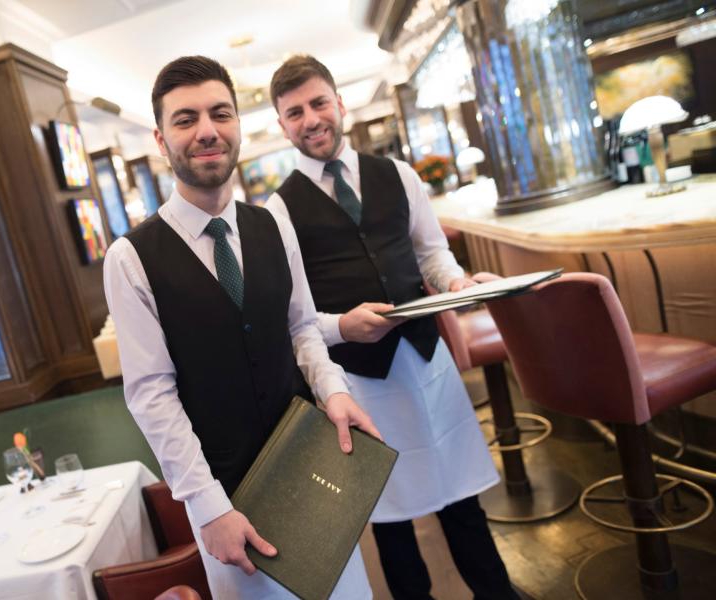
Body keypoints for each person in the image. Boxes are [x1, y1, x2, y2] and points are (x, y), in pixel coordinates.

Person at [103, 55, 379, 599]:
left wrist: (335, 390)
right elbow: (152, 397)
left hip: (307, 464)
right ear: (161, 140)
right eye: (186, 120)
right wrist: (208, 508)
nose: (206, 131)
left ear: (238, 129)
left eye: (220, 114)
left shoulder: (273, 224)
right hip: (229, 499)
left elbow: (301, 329)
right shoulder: (130, 258)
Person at [266, 55, 518, 600]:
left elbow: (432, 254)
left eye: (318, 103)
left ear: (340, 103)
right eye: (295, 112)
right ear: (281, 125)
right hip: (359, 382)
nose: (310, 119)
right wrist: (341, 328)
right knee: (389, 514)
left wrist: (455, 284)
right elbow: (295, 317)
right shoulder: (278, 210)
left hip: (427, 362)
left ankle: (497, 592)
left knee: (461, 495)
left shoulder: (397, 174)